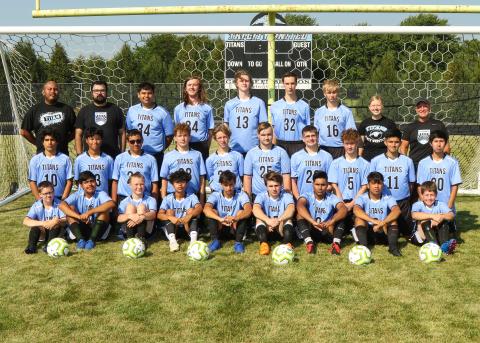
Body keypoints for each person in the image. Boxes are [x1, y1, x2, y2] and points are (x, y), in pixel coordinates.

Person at [370, 128, 415, 236]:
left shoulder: (408, 161)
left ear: (400, 143)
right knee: (382, 233)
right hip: (384, 201)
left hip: (402, 202)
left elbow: (411, 183)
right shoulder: (376, 161)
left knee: (408, 233)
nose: (393, 145)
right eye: (390, 142)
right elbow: (371, 183)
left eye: (396, 142)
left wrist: (406, 196)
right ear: (385, 142)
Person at [416, 130, 462, 231]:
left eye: (441, 141)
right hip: (429, 204)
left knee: (445, 230)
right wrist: (424, 204)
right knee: (427, 231)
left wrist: (449, 206)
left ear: (445, 143)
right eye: (436, 141)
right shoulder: (423, 163)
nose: (439, 144)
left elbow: (455, 186)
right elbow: (420, 186)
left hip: (445, 204)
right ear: (430, 143)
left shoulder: (452, 162)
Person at [125, 82, 174, 175]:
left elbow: (169, 135)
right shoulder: (132, 110)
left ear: (154, 94)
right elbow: (130, 131)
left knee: (156, 184)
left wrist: (160, 149)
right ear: (138, 95)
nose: (146, 96)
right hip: (137, 155)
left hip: (156, 156)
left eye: (149, 93)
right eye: (143, 93)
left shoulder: (163, 112)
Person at [59, 171, 116, 250]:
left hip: (98, 228)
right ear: (81, 185)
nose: (90, 184)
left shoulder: (101, 193)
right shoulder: (77, 194)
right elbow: (62, 205)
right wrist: (79, 217)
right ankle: (80, 240)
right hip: (83, 227)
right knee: (70, 209)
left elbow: (111, 204)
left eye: (92, 181)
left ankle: (92, 241)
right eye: (86, 182)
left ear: (96, 182)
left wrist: (90, 212)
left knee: (104, 212)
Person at [328, 129, 369, 235]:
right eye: (347, 144)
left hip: (357, 201)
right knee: (334, 228)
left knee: (360, 224)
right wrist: (341, 202)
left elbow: (364, 187)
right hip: (341, 200)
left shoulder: (365, 164)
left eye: (352, 143)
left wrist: (352, 203)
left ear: (357, 143)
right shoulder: (335, 163)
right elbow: (334, 185)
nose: (350, 146)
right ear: (343, 144)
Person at [296, 171, 348, 254]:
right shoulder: (307, 195)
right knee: (299, 215)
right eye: (317, 184)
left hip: (326, 230)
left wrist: (331, 221)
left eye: (323, 185)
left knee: (341, 216)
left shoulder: (331, 197)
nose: (320, 188)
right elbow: (300, 206)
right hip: (312, 230)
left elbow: (343, 209)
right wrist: (313, 222)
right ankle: (309, 243)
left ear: (327, 185)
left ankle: (336, 244)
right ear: (313, 185)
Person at [21, 80, 76, 155]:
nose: (53, 91)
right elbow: (24, 131)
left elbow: (76, 130)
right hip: (42, 155)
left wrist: (65, 141)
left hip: (62, 155)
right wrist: (37, 143)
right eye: (49, 89)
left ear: (58, 92)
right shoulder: (35, 110)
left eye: (55, 89)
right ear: (43, 92)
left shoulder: (67, 109)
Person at [353, 172, 402, 256]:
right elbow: (356, 210)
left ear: (383, 185)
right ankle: (364, 249)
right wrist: (373, 221)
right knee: (358, 219)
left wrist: (382, 223)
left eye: (379, 183)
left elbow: (397, 210)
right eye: (373, 183)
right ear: (368, 186)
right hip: (368, 232)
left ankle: (393, 248)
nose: (376, 186)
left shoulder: (388, 197)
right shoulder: (362, 197)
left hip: (383, 230)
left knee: (393, 221)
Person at [203, 171, 252, 254]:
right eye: (226, 185)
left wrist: (236, 218)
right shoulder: (215, 195)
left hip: (234, 227)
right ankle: (215, 241)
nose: (229, 188)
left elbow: (248, 210)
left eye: (231, 185)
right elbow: (206, 209)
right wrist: (220, 219)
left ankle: (238, 243)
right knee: (213, 211)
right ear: (221, 184)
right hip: (221, 226)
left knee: (241, 212)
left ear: (235, 183)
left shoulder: (241, 194)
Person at [75, 81, 125, 159]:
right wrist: (79, 154)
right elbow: (78, 134)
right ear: (92, 93)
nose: (99, 93)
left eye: (102, 90)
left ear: (107, 92)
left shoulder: (115, 110)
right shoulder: (84, 111)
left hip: (112, 157)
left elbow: (122, 133)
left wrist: (122, 154)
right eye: (96, 91)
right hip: (90, 158)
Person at [224, 69, 268, 156]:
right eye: (241, 81)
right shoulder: (229, 104)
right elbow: (226, 127)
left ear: (250, 83)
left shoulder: (259, 103)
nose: (244, 83)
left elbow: (263, 127)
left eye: (247, 81)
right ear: (236, 83)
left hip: (254, 149)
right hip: (234, 148)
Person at [160, 123, 206, 203]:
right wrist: (164, 200)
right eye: (180, 136)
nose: (183, 138)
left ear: (189, 137)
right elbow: (164, 179)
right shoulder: (168, 156)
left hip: (193, 196)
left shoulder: (197, 154)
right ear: (175, 138)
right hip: (173, 196)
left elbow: (202, 178)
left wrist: (201, 200)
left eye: (185, 135)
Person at [158, 170, 203, 252]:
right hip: (174, 228)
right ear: (172, 184)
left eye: (183, 182)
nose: (180, 184)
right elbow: (159, 214)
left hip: (187, 228)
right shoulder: (168, 198)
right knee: (169, 212)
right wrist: (170, 217)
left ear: (187, 183)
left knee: (191, 210)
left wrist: (189, 216)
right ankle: (173, 242)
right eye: (177, 182)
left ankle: (193, 242)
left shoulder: (192, 196)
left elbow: (199, 208)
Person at [112, 129, 159, 206]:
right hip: (124, 198)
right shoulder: (120, 158)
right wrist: (114, 203)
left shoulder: (151, 159)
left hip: (144, 198)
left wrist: (154, 204)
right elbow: (115, 181)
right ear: (128, 142)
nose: (136, 144)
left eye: (138, 141)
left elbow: (155, 183)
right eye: (132, 141)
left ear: (142, 141)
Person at [244, 122, 291, 199]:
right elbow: (247, 177)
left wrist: (287, 196)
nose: (266, 138)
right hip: (257, 195)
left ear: (273, 135)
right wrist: (248, 199)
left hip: (277, 194)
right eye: (263, 135)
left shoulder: (281, 152)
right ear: (258, 135)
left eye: (269, 134)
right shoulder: (251, 153)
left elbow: (286, 176)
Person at [400, 98, 450, 170]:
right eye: (419, 107)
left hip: (434, 164)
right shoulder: (410, 127)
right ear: (416, 110)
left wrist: (443, 162)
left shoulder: (439, 125)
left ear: (429, 108)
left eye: (425, 106)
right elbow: (403, 147)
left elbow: (446, 146)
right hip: (415, 165)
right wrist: (406, 162)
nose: (422, 109)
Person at [252, 171, 295, 255]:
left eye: (276, 185)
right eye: (270, 186)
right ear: (266, 186)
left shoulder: (286, 195)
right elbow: (255, 209)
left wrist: (278, 220)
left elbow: (291, 208)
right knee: (259, 219)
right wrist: (268, 221)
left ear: (281, 185)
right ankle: (264, 244)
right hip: (267, 229)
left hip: (280, 228)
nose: (274, 189)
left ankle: (287, 244)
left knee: (288, 219)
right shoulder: (261, 195)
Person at [174, 76, 214, 162]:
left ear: (199, 88)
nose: (192, 87)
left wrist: (206, 146)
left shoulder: (207, 108)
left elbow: (210, 130)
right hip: (184, 144)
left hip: (201, 145)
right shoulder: (178, 108)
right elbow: (177, 129)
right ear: (185, 88)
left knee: (201, 174)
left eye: (195, 85)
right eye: (189, 85)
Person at [270, 72, 311, 157]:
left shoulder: (304, 106)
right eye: (287, 83)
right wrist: (272, 148)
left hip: (298, 144)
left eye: (292, 83)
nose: (290, 86)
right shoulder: (275, 106)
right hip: (280, 144)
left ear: (296, 84)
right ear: (283, 84)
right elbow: (273, 129)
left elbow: (307, 130)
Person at [411, 181, 457, 254]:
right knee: (424, 221)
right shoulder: (417, 205)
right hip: (421, 236)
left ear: (436, 195)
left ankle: (444, 246)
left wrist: (441, 217)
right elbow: (414, 215)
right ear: (422, 195)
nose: (429, 198)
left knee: (444, 221)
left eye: (432, 195)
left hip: (435, 233)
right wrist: (433, 217)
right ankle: (434, 246)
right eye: (426, 195)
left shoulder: (440, 204)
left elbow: (451, 215)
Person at [314, 79, 356, 159]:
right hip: (324, 148)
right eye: (329, 93)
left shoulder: (346, 111)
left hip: (340, 148)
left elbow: (351, 132)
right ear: (324, 94)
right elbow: (316, 132)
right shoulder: (319, 112)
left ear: (338, 93)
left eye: (334, 92)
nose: (332, 95)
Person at [28, 128, 73, 201]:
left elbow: (69, 181)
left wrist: (63, 199)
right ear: (42, 142)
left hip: (59, 197)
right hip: (42, 198)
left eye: (52, 140)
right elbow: (32, 182)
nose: (50, 142)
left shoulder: (65, 159)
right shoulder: (35, 160)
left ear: (57, 142)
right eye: (46, 140)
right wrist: (39, 200)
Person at [23, 181, 67, 254]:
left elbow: (66, 219)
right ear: (40, 195)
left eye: (51, 192)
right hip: (43, 231)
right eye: (45, 193)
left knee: (56, 224)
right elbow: (25, 221)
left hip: (56, 230)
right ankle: (31, 247)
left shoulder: (59, 203)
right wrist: (43, 223)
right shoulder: (36, 205)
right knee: (36, 225)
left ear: (54, 192)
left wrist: (57, 221)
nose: (49, 195)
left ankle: (48, 246)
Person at [291, 125, 333, 200]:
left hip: (322, 200)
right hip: (303, 199)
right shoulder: (296, 157)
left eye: (313, 135)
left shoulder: (327, 157)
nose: (311, 138)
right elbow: (293, 181)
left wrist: (320, 196)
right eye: (307, 136)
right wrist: (298, 198)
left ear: (317, 137)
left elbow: (330, 182)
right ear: (303, 139)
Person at [117, 172, 157, 243]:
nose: (139, 187)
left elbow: (153, 215)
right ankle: (130, 239)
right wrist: (131, 216)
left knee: (141, 207)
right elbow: (119, 218)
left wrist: (142, 216)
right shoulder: (124, 201)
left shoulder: (151, 199)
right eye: (136, 184)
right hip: (128, 230)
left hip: (146, 231)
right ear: (130, 185)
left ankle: (142, 239)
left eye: (141, 184)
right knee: (130, 207)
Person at [74, 127, 114, 195]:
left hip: (102, 198)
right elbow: (77, 180)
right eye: (92, 139)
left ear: (101, 140)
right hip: (85, 197)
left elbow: (111, 181)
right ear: (86, 140)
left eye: (97, 139)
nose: (95, 142)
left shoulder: (108, 159)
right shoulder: (79, 159)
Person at [205, 123, 244, 193]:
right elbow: (210, 177)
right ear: (215, 139)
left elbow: (242, 177)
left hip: (235, 193)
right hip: (217, 193)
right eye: (219, 138)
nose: (222, 140)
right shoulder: (210, 160)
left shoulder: (238, 156)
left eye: (225, 137)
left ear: (229, 137)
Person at [358, 95, 397, 161]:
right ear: (369, 107)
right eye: (373, 105)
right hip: (367, 158)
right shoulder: (364, 123)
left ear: (382, 107)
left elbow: (395, 143)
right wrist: (359, 157)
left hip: (385, 159)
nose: (376, 108)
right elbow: (360, 144)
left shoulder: (390, 123)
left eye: (378, 105)